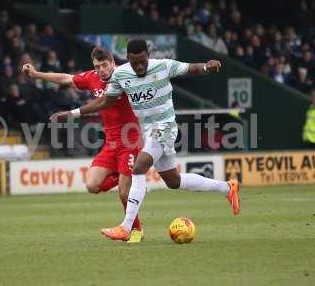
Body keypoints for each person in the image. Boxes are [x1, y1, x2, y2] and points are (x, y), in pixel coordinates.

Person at [51, 39, 241, 241]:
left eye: (142, 62)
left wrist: (206, 66)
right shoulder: (121, 74)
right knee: (174, 181)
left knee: (139, 166)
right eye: (135, 63)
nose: (139, 66)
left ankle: (127, 228)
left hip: (166, 128)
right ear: (128, 61)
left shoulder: (163, 65)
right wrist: (73, 113)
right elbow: (106, 101)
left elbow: (189, 68)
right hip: (148, 131)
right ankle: (227, 188)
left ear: (147, 56)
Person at [22, 47, 144, 243]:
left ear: (113, 62)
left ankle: (135, 229)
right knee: (92, 185)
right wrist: (37, 74)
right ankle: (126, 178)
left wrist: (70, 114)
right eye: (98, 67)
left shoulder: (124, 75)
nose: (102, 70)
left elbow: (104, 102)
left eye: (105, 65)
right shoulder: (92, 77)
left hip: (130, 140)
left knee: (124, 192)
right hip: (111, 143)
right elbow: (66, 79)